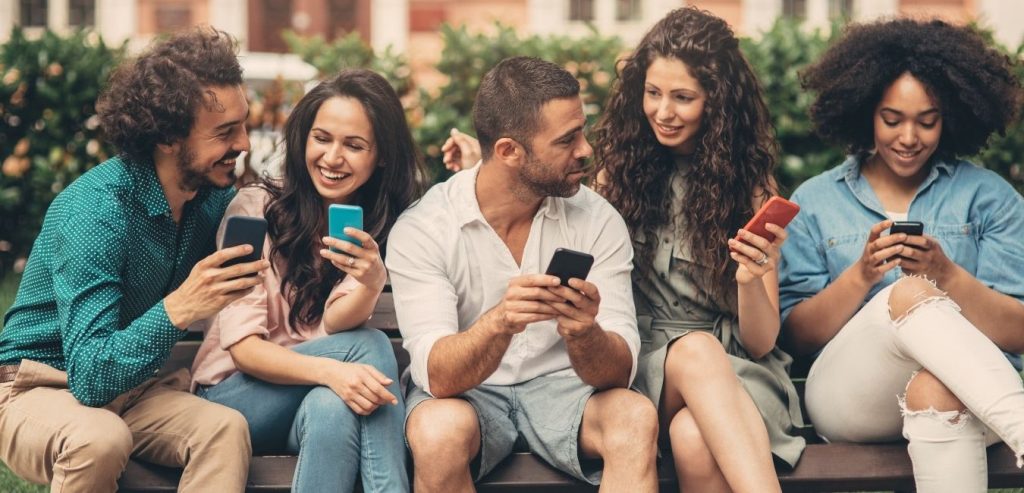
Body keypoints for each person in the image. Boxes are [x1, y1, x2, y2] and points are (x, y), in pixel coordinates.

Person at [442, 8, 803, 492]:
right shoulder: (616, 174)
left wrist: (751, 280)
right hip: (641, 364)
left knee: (694, 437)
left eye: (683, 98)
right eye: (653, 93)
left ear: (717, 103)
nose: (663, 111)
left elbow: (760, 343)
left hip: (737, 375)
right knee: (693, 353)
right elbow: (534, 185)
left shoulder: (750, 188)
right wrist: (483, 167)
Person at [0, 28, 262, 492]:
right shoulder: (95, 210)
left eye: (244, 125)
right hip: (37, 387)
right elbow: (91, 377)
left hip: (134, 391)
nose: (243, 143)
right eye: (225, 132)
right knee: (99, 437)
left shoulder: (209, 200)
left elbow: (297, 191)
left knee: (224, 429)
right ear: (166, 136)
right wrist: (183, 305)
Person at [388, 56, 658, 492]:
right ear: (509, 151)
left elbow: (619, 373)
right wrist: (500, 322)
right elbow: (438, 377)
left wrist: (584, 332)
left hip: (567, 390)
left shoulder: (597, 219)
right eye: (567, 140)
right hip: (469, 396)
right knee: (437, 432)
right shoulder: (426, 228)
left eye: (582, 132)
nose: (586, 149)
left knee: (635, 416)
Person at [779, 19, 1024, 492]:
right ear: (866, 112)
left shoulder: (988, 197)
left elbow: (1018, 331)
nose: (909, 137)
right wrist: (863, 274)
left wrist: (946, 275)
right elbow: (795, 339)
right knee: (910, 291)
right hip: (850, 398)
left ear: (950, 116)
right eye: (892, 119)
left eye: (927, 121)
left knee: (936, 388)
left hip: (972, 396)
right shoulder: (816, 201)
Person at [190, 69, 425, 493]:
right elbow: (244, 351)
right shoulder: (253, 210)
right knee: (369, 346)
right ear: (303, 140)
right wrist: (332, 371)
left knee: (331, 408)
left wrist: (371, 282)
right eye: (322, 138)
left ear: (382, 156)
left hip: (309, 397)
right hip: (232, 400)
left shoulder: (369, 229)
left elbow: (335, 325)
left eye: (354, 145)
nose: (332, 158)